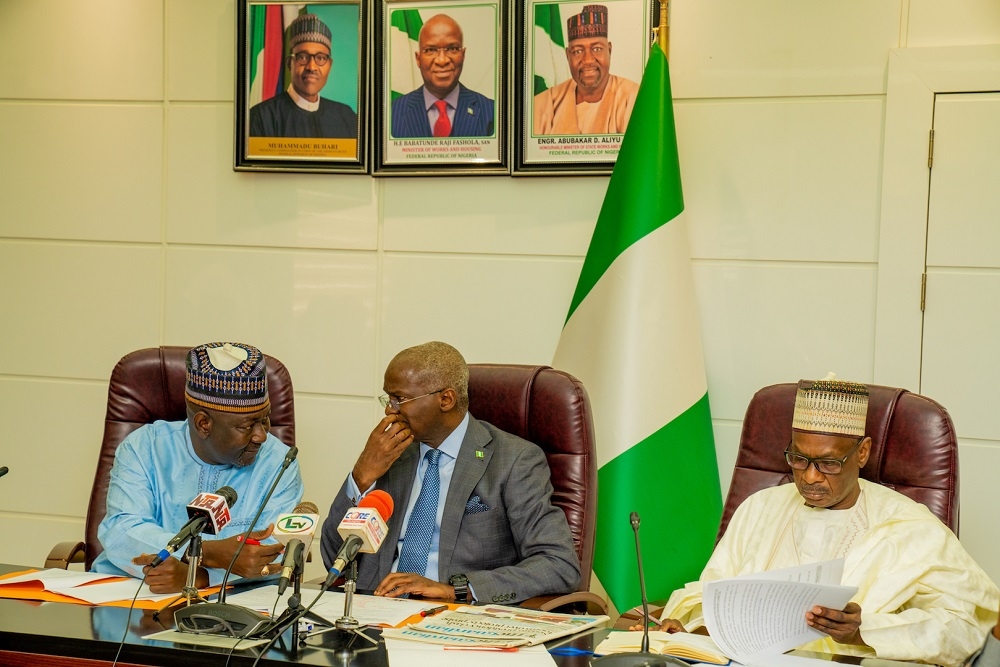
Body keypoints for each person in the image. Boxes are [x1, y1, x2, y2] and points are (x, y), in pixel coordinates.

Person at [643, 376, 999, 667]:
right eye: (798, 460)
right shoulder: (760, 508)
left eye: (828, 464)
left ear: (862, 453)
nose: (810, 477)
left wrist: (864, 630)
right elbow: (711, 592)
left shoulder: (909, 526)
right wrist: (696, 627)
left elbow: (965, 628)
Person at [319, 341, 579, 605]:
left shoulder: (514, 460)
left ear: (446, 399)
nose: (389, 410)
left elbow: (558, 564)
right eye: (388, 398)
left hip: (456, 617)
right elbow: (333, 558)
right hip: (373, 613)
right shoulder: (391, 454)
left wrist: (456, 590)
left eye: (401, 399)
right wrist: (362, 475)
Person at [92, 342, 304, 594]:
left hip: (232, 607)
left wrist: (200, 575)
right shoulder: (144, 447)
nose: (261, 436)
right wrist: (206, 553)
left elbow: (274, 554)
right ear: (204, 424)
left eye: (265, 419)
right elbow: (121, 530)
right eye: (247, 426)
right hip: (133, 597)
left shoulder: (280, 461)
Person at [533, 4, 639, 136]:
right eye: (578, 51)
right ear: (567, 55)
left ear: (609, 50)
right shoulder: (543, 104)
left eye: (596, 49)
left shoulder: (633, 98)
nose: (588, 60)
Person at [249, 13, 357, 139]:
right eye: (303, 57)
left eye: (321, 58)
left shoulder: (346, 117)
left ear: (329, 65)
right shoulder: (261, 117)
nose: (312, 67)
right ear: (290, 64)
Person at [390, 15, 494, 138]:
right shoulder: (390, 114)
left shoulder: (493, 113)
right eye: (431, 50)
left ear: (463, 55)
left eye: (452, 48)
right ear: (418, 59)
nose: (442, 60)